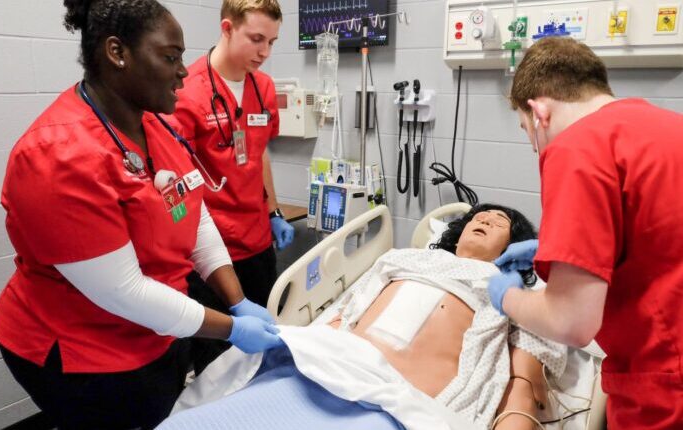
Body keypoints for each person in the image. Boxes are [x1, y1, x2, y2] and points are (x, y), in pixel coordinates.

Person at [0, 1, 282, 428]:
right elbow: (124, 292)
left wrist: (238, 302)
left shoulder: (156, 126)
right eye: (170, 57)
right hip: (80, 352)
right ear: (117, 52)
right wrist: (231, 329)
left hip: (155, 332)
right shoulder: (57, 157)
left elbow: (194, 214)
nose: (184, 71)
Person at [158, 204, 569, 430]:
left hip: (399, 403)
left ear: (515, 245)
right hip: (327, 371)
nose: (486, 219)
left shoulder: (517, 293)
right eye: (480, 216)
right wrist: (301, 347)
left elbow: (524, 382)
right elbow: (344, 311)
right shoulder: (402, 259)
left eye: (500, 223)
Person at [487, 36, 683, 429]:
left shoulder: (577, 147)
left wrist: (506, 297)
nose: (535, 149)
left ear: (538, 112)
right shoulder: (668, 128)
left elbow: (570, 323)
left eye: (528, 133)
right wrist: (557, 249)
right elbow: (659, 237)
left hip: (666, 387)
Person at [170, 0, 293, 373]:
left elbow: (259, 155)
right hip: (211, 253)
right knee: (217, 365)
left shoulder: (264, 87)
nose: (265, 52)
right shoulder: (186, 92)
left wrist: (273, 211)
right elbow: (179, 178)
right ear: (227, 28)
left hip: (257, 241)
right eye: (256, 39)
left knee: (265, 350)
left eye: (272, 41)